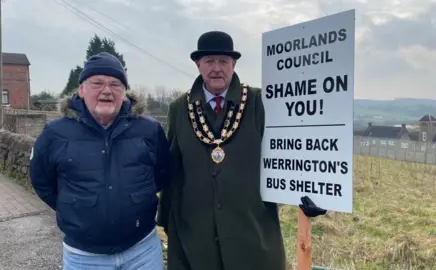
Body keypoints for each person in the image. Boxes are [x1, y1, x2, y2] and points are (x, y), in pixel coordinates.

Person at [156, 31, 327, 270]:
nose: (217, 68)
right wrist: (166, 220)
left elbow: (291, 153)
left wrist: (311, 194)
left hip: (252, 235)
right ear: (198, 65)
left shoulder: (260, 102)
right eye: (209, 61)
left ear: (234, 64)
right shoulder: (179, 109)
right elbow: (173, 169)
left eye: (223, 61)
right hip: (195, 238)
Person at [30, 52, 170, 270]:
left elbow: (162, 174)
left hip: (142, 249)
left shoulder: (149, 129)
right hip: (84, 257)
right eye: (97, 83)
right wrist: (74, 207)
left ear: (124, 93)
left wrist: (137, 201)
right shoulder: (55, 133)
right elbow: (42, 181)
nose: (107, 91)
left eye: (115, 84)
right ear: (81, 90)